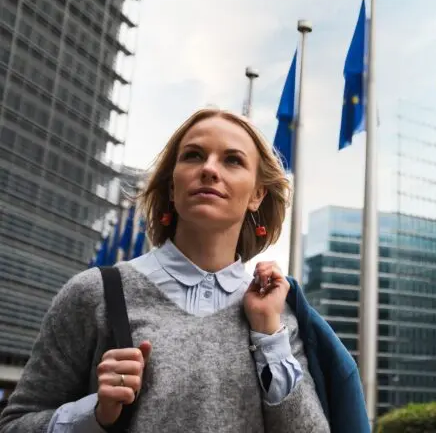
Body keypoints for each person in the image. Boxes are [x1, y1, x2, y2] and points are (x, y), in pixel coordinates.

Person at [0, 108, 333, 432]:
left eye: (232, 160)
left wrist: (268, 335)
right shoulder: (92, 293)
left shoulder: (278, 316)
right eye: (193, 155)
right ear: (173, 188)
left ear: (257, 195)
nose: (209, 169)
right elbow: (16, 424)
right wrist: (95, 414)